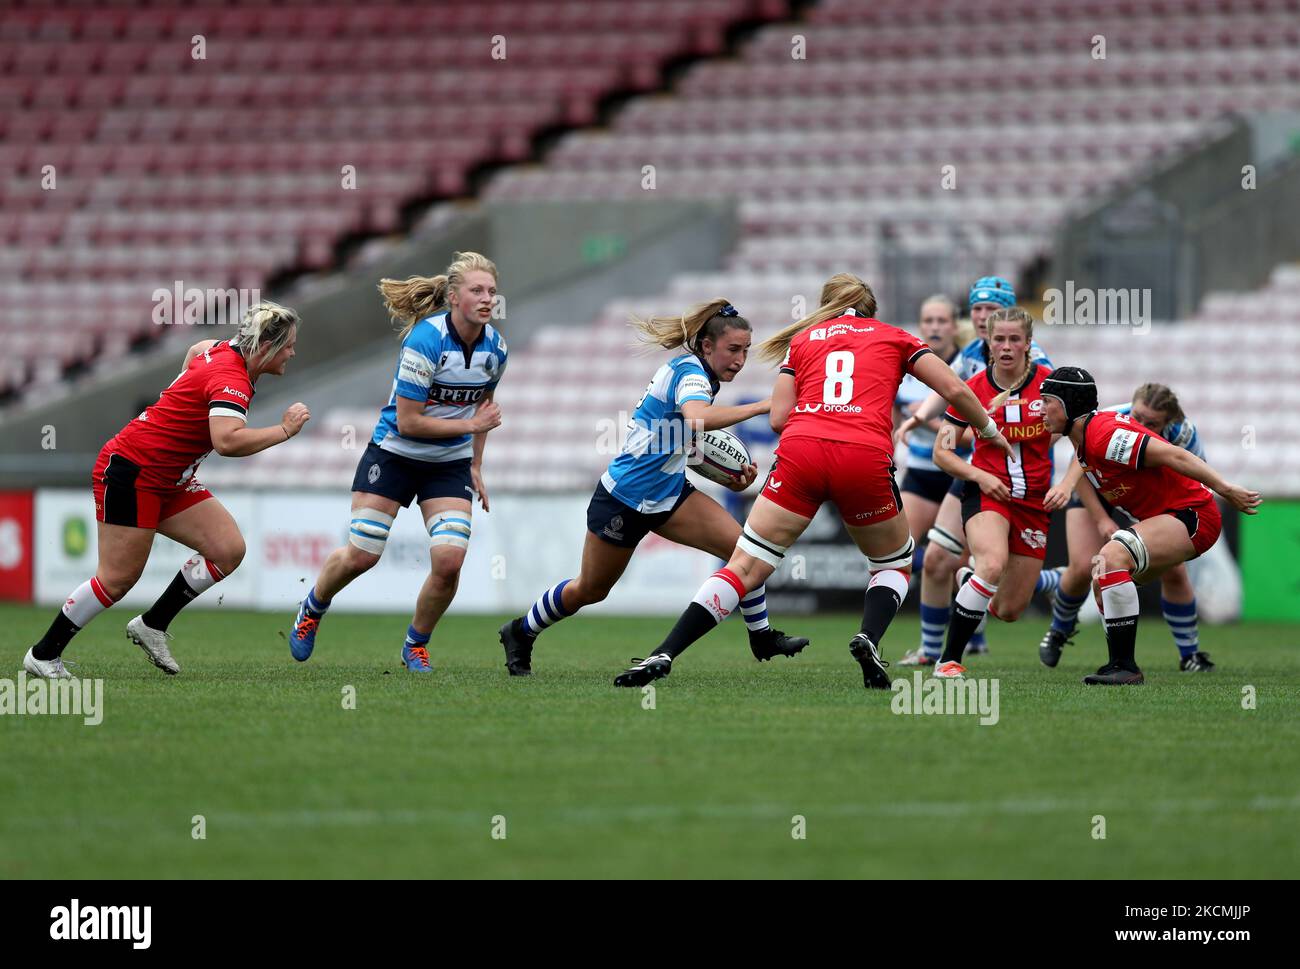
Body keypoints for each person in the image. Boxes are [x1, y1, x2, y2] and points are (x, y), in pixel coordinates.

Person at [616, 274, 1013, 689]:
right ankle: (868, 637)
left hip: (801, 452)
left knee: (745, 566)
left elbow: (778, 420)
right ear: (870, 310)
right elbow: (954, 386)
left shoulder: (803, 341)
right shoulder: (894, 336)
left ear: (826, 306)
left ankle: (665, 651)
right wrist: (986, 429)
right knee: (893, 562)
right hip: (863, 455)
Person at [498, 299, 808, 676]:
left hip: (668, 494)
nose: (741, 360)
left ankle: (761, 637)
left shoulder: (696, 374)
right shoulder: (691, 374)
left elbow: (680, 441)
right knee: (590, 590)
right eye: (733, 350)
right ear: (707, 346)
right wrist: (762, 406)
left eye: (745, 350)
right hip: (623, 497)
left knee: (745, 551)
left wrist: (728, 474)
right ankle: (520, 631)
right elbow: (694, 421)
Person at [23, 303, 308, 678]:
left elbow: (195, 352)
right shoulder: (232, 378)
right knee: (117, 579)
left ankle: (152, 625)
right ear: (266, 347)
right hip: (133, 471)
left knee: (227, 550)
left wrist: (179, 396)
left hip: (168, 478)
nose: (292, 351)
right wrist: (283, 431)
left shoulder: (222, 352)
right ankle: (43, 655)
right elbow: (226, 441)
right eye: (287, 344)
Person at [287, 251, 505, 672]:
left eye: (492, 291)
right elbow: (408, 422)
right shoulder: (425, 340)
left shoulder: (496, 349)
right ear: (454, 296)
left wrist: (476, 464)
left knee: (449, 563)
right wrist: (472, 424)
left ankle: (415, 645)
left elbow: (484, 407)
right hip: (394, 454)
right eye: (477, 290)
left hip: (449, 463)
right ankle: (312, 607)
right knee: (362, 556)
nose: (487, 298)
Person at [1039, 367, 1260, 685]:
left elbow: (1175, 455)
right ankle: (1117, 659)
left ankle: (1126, 665)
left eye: (1048, 401)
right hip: (1170, 518)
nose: (1041, 407)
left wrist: (1226, 488)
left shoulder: (1105, 436)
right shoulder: (1086, 439)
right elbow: (1083, 469)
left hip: (1192, 516)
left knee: (1113, 555)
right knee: (1102, 580)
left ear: (1070, 404)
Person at [895, 277, 1054, 665]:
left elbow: (1068, 428)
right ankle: (938, 654)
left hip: (1028, 490)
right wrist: (919, 419)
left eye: (990, 310)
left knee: (1011, 605)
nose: (983, 318)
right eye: (977, 310)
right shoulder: (971, 357)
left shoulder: (1044, 373)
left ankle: (1046, 580)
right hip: (976, 476)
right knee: (937, 559)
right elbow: (949, 392)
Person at [931, 307, 1077, 678]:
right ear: (988, 343)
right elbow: (942, 452)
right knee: (992, 563)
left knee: (1011, 609)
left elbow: (1088, 441)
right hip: (987, 494)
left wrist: (1066, 484)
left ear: (1029, 344)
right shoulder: (971, 390)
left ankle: (969, 582)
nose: (1007, 346)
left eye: (1015, 339)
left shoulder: (1052, 387)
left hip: (1034, 503)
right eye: (999, 339)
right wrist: (977, 475)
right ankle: (948, 660)